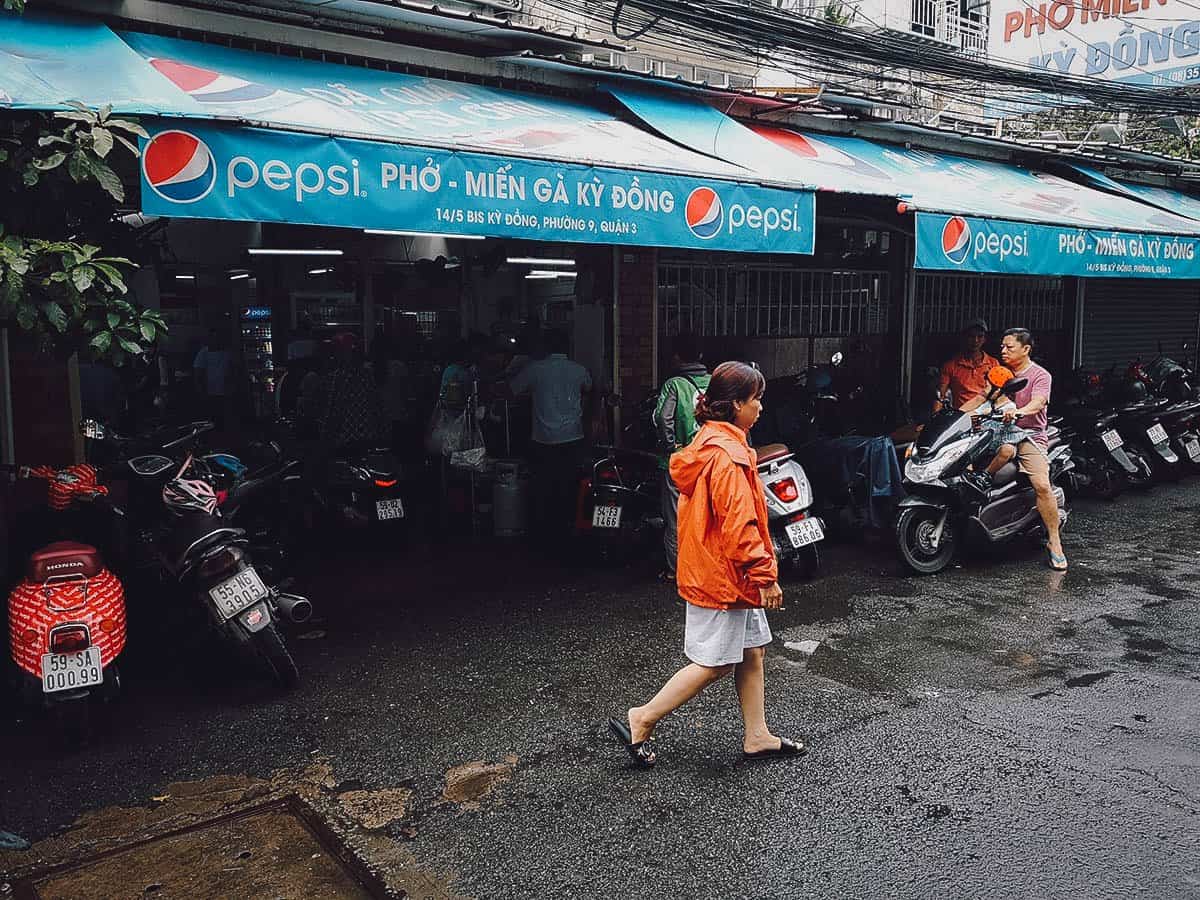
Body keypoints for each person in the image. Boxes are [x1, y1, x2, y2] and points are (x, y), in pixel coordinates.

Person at [607, 361, 807, 768]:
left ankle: (757, 735)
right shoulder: (729, 456)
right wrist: (765, 576)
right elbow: (740, 524)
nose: (761, 408)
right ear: (736, 404)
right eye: (757, 400)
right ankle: (642, 718)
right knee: (716, 664)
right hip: (725, 575)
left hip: (715, 568)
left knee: (752, 651)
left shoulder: (708, 441)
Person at [508, 329, 592, 538]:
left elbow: (510, 391)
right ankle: (568, 528)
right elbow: (589, 388)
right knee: (569, 485)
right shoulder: (578, 369)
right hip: (573, 436)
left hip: (543, 439)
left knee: (544, 487)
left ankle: (546, 532)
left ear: (545, 347)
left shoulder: (535, 369)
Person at [997, 328, 1066, 571]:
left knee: (1042, 485)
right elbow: (984, 397)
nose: (1003, 351)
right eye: (1002, 347)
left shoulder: (1040, 375)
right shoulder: (999, 373)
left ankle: (1055, 542)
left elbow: (1037, 403)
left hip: (1030, 435)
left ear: (1026, 349)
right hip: (997, 432)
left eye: (1009, 347)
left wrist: (1019, 411)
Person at [653, 334, 710, 582]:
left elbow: (662, 418)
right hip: (711, 459)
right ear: (700, 356)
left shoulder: (674, 384)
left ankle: (677, 570)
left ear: (676, 357)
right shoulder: (716, 381)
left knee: (676, 517)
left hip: (680, 461)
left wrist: (670, 446)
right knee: (709, 513)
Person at [935, 318, 999, 413]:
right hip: (960, 417)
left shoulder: (993, 363)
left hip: (985, 415)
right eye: (971, 336)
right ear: (964, 338)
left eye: (980, 336)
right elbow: (940, 396)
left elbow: (999, 393)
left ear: (985, 339)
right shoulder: (950, 366)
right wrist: (934, 419)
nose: (976, 340)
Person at [192, 328, 233, 428]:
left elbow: (232, 371)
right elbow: (198, 373)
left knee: (223, 420)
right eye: (213, 337)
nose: (216, 339)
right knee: (211, 421)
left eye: (218, 337)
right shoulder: (203, 353)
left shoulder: (228, 353)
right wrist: (201, 390)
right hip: (209, 392)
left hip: (225, 392)